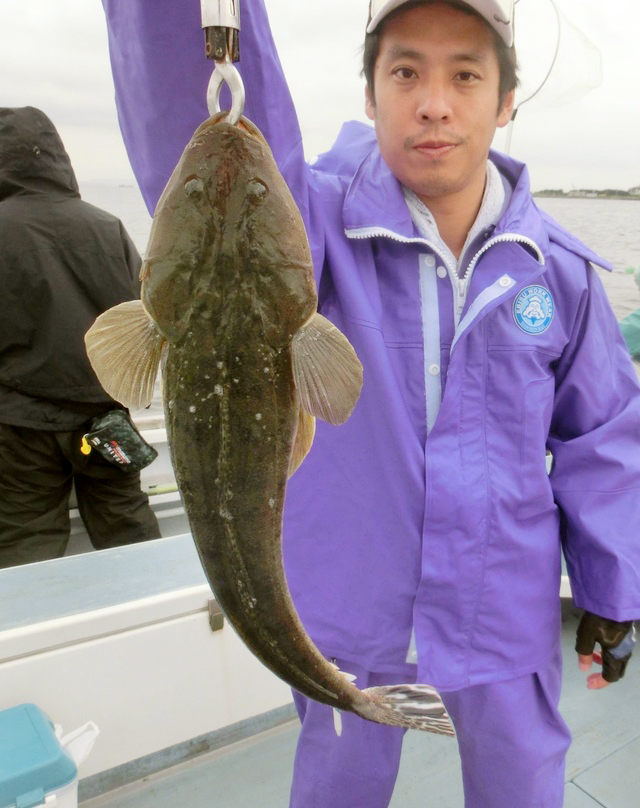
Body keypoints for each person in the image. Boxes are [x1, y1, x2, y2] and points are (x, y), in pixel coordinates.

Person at [101, 1, 640, 805]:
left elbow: (603, 439)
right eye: (404, 71)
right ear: (369, 95)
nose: (433, 101)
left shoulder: (554, 270)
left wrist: (612, 589)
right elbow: (196, 112)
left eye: (466, 75)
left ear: (504, 102)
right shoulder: (302, 224)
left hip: (505, 616)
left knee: (525, 787)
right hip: (349, 612)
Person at [0, 106, 161, 569]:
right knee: (131, 535)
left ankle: (35, 637)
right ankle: (157, 619)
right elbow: (143, 319)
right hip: (104, 424)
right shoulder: (107, 226)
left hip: (23, 431)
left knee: (26, 551)